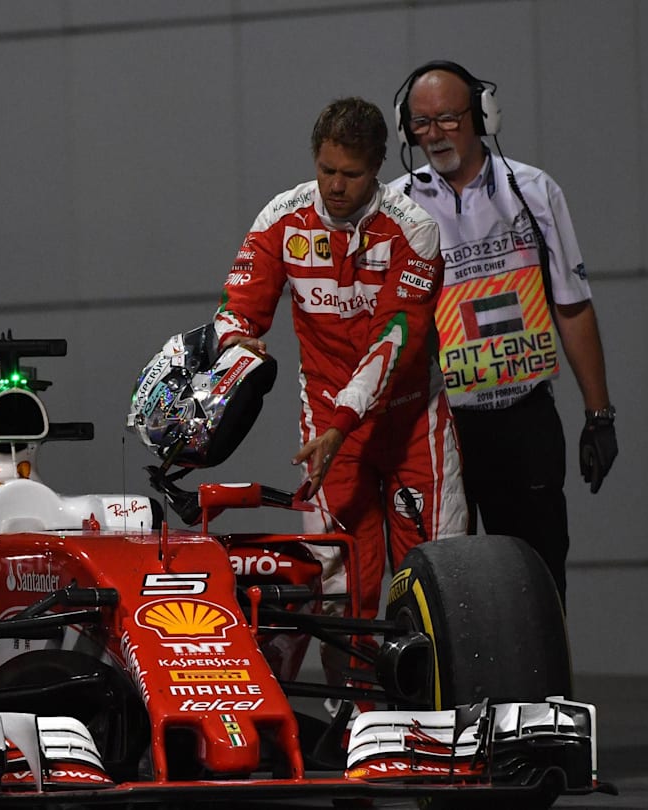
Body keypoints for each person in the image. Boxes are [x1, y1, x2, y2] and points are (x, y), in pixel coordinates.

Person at [213, 97, 467, 678]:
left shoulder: (415, 230)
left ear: (378, 166)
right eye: (326, 169)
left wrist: (342, 422)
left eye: (350, 174)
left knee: (438, 573)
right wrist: (236, 342)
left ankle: (441, 712)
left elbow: (395, 340)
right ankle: (350, 713)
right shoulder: (282, 217)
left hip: (411, 424)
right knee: (340, 580)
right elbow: (235, 307)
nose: (334, 185)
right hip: (326, 428)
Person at [389, 60, 618, 603]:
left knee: (537, 579)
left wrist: (599, 414)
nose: (435, 134)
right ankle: (458, 691)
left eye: (448, 117)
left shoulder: (535, 192)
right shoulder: (395, 207)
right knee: (446, 586)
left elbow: (572, 305)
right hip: (440, 426)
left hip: (524, 416)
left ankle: (539, 688)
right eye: (421, 123)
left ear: (482, 113)